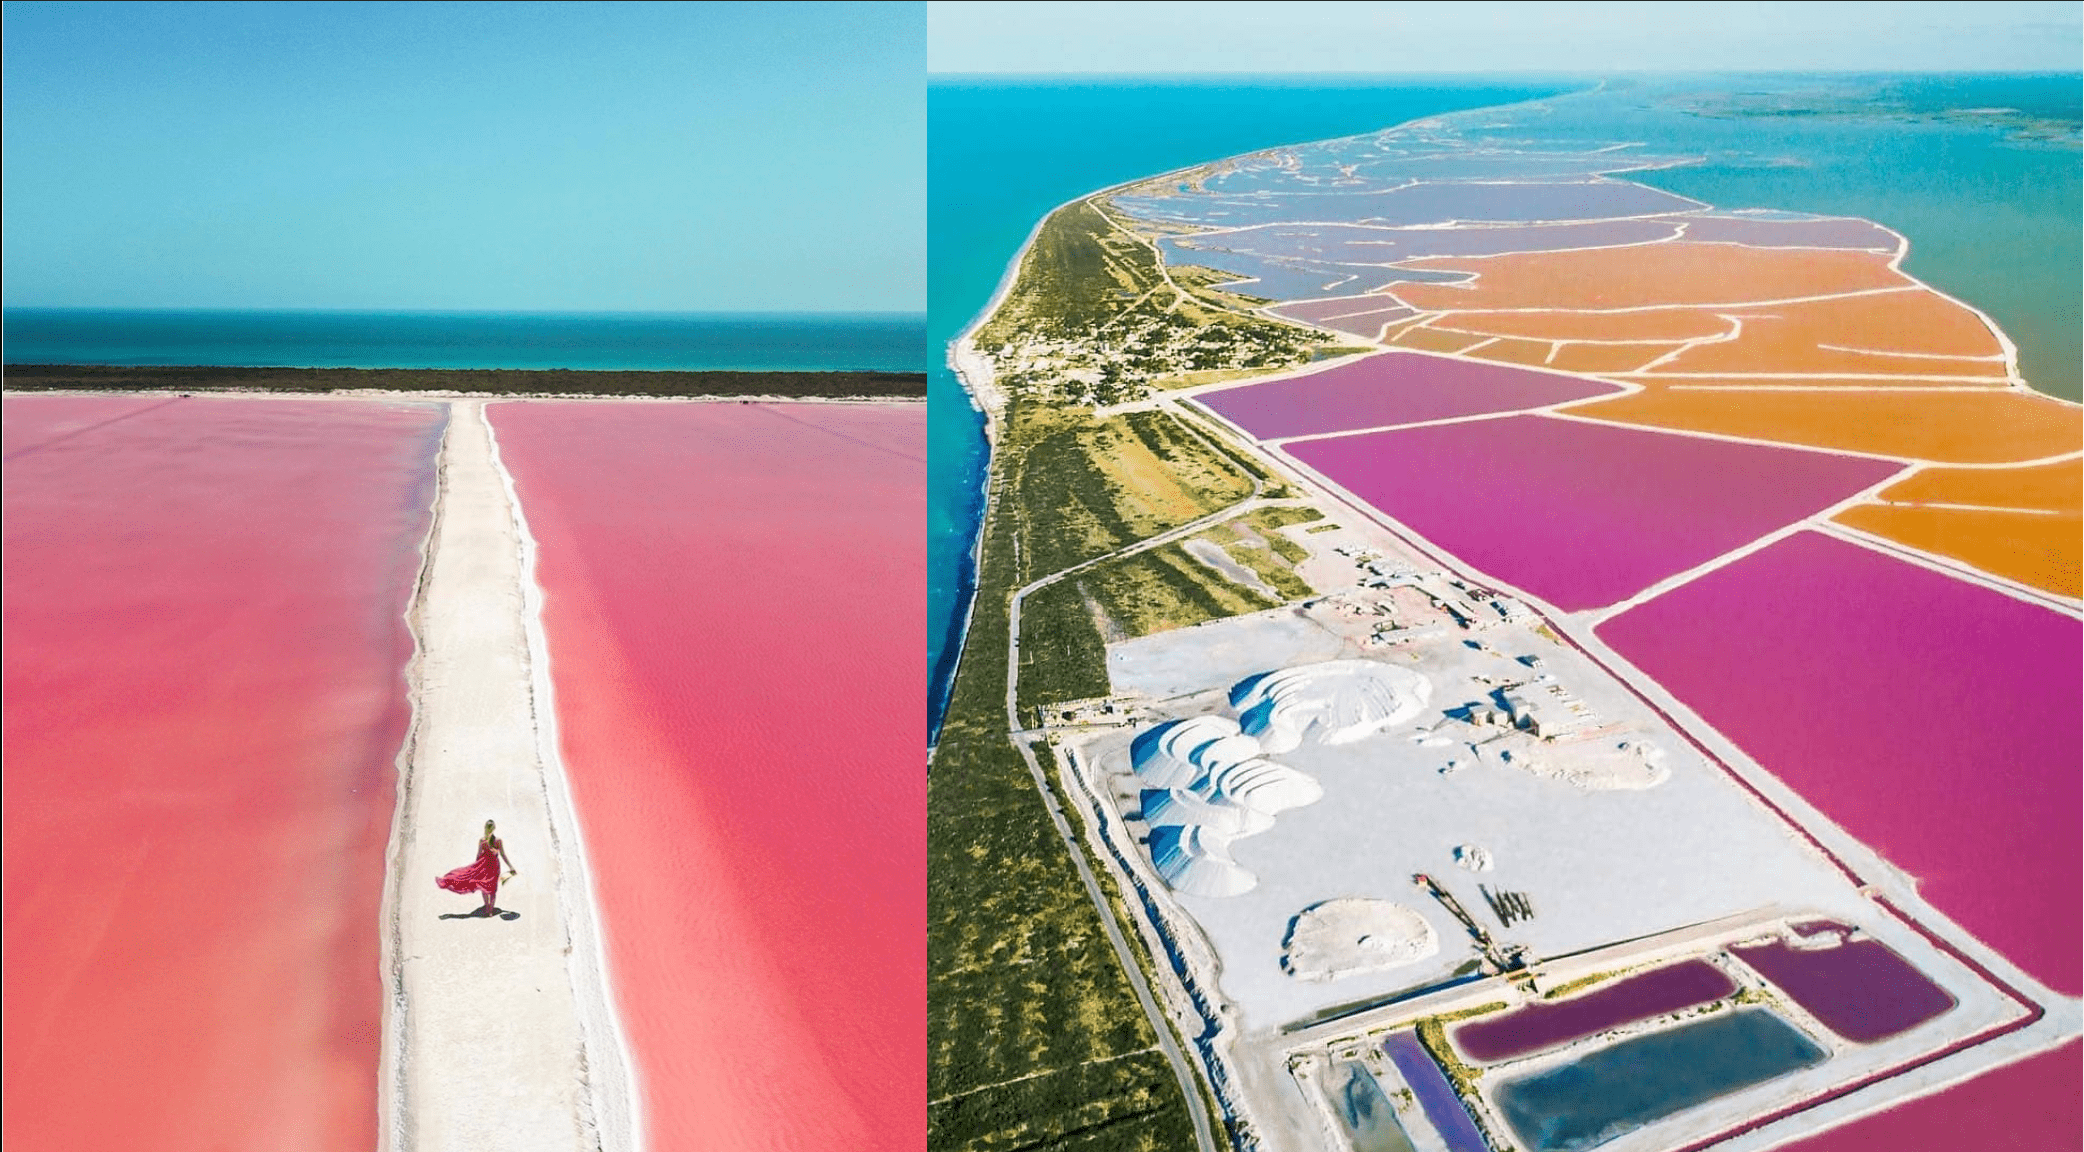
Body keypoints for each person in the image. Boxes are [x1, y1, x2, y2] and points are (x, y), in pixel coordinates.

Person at [436, 819, 516, 916]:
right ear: (494, 828)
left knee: (483, 886)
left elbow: (478, 855)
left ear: (485, 828)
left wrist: (474, 868)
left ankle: (487, 907)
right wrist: (511, 866)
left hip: (483, 866)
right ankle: (490, 911)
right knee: (492, 888)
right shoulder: (498, 841)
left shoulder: (482, 841)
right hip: (494, 867)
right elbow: (503, 855)